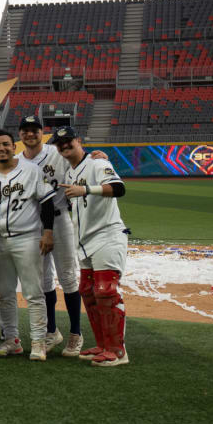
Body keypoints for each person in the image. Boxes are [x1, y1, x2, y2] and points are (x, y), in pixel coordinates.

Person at [0, 130, 56, 361]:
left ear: (13, 146)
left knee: (33, 292)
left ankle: (39, 341)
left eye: (6, 145)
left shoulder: (31, 170)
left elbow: (47, 203)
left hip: (27, 237)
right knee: (5, 294)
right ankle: (12, 340)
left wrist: (48, 232)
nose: (1, 148)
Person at [52, 126, 131, 367]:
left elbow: (119, 188)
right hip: (85, 242)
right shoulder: (72, 173)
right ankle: (103, 344)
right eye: (60, 144)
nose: (65, 146)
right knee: (88, 291)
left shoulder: (97, 164)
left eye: (68, 141)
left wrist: (86, 189)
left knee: (106, 291)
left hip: (107, 236)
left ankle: (118, 351)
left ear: (78, 140)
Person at [18, 115, 84, 357]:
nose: (30, 134)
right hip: (34, 222)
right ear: (20, 135)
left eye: (34, 129)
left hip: (59, 218)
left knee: (67, 277)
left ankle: (76, 333)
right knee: (44, 279)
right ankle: (51, 331)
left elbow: (79, 161)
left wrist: (98, 156)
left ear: (41, 132)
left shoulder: (56, 152)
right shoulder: (17, 160)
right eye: (25, 130)